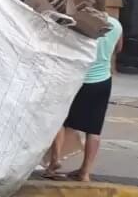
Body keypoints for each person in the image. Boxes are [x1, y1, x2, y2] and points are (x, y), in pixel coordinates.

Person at [45, 13, 123, 182]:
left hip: (78, 79)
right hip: (102, 81)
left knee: (61, 121)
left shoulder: (80, 21)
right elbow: (118, 49)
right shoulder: (116, 25)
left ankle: (54, 163)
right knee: (94, 130)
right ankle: (85, 172)